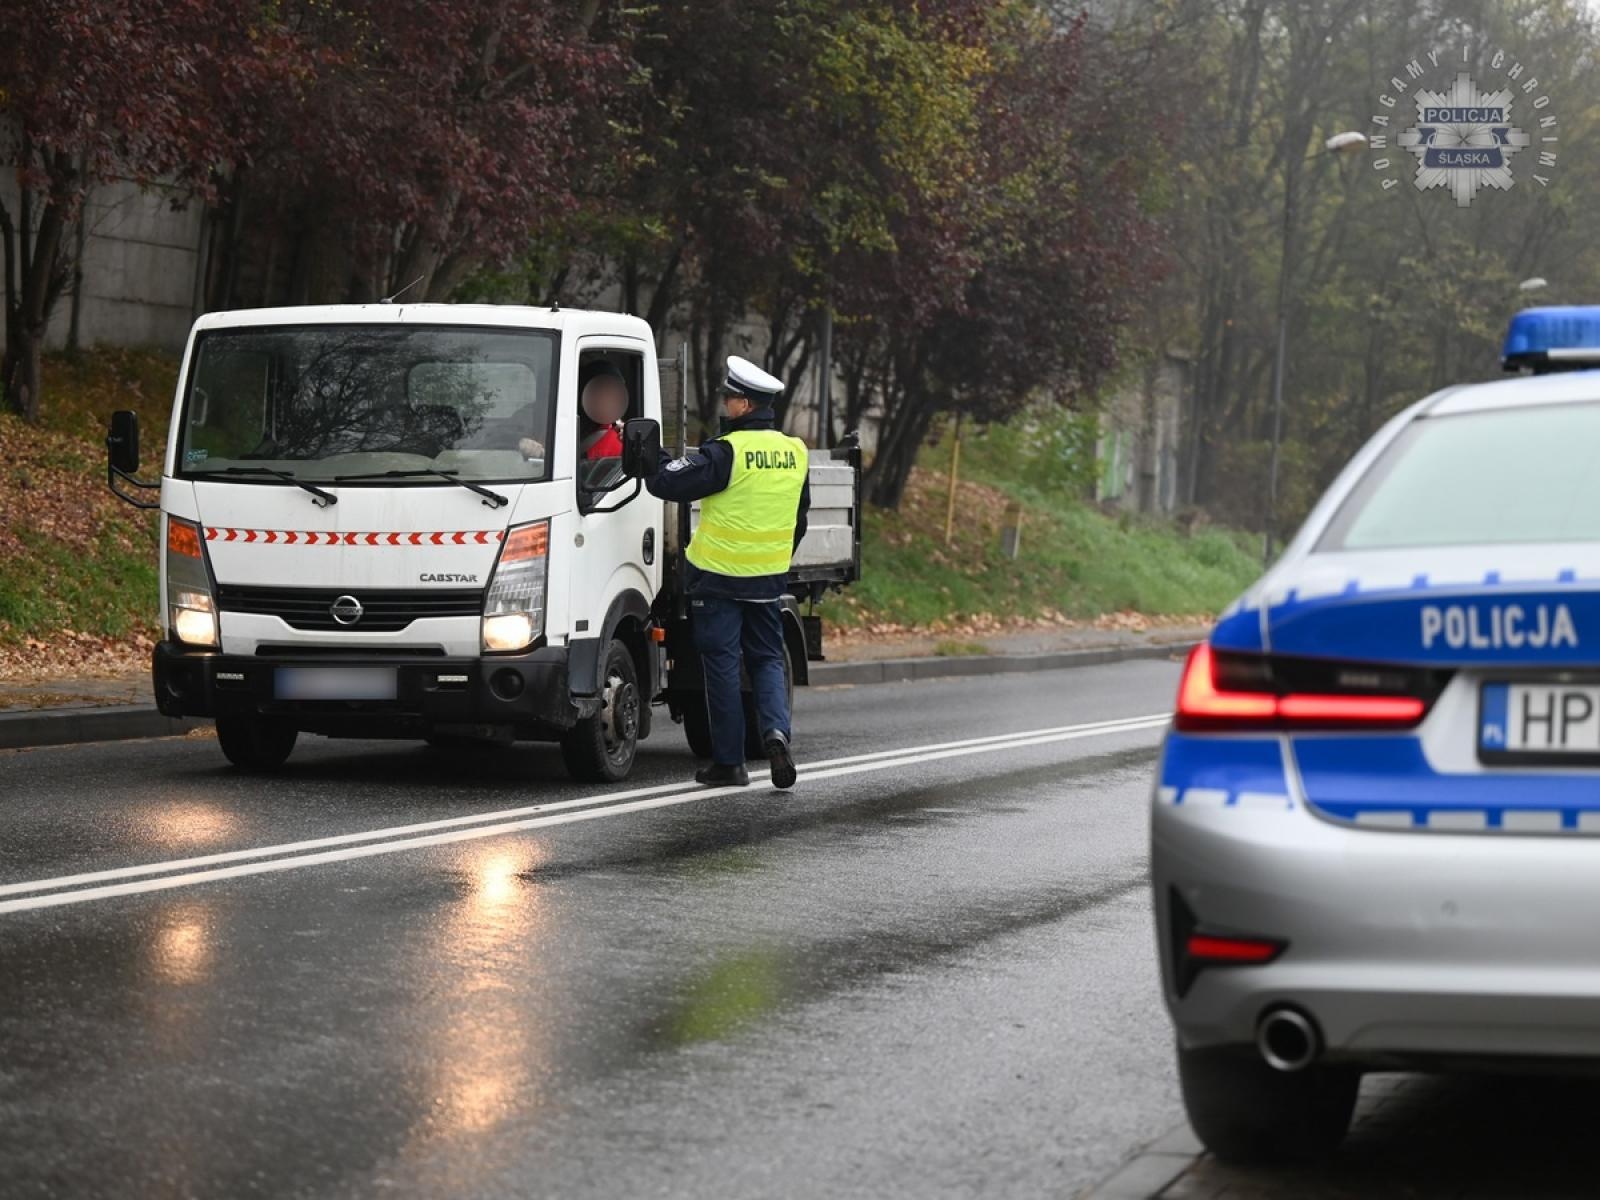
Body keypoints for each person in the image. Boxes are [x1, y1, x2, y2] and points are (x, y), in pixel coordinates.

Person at [645, 355, 810, 789]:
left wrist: (651, 455)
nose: (724, 402)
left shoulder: (726, 451)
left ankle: (730, 764)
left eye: (729, 396)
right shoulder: (795, 452)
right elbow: (801, 518)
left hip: (717, 579)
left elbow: (667, 484)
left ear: (745, 405)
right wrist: (774, 556)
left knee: (720, 667)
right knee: (767, 660)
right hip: (768, 578)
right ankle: (775, 732)